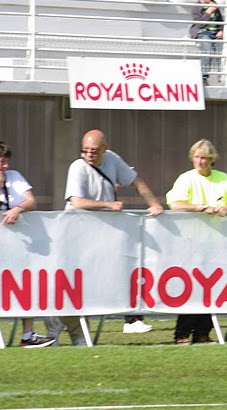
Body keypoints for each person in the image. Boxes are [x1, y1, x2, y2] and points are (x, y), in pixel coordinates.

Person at [45, 129, 164, 344]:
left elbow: (136, 181)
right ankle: (54, 334)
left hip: (102, 236)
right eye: (85, 150)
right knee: (68, 286)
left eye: (94, 151)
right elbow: (77, 202)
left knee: (98, 283)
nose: (89, 154)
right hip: (76, 236)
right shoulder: (77, 167)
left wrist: (153, 203)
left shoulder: (112, 159)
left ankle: (98, 329)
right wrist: (109, 204)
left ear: (104, 149)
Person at [0, 138, 56, 348]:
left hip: (17, 244)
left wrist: (18, 209)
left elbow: (31, 200)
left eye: (7, 161)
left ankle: (28, 334)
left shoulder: (15, 177)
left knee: (24, 284)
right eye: (1, 162)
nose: (5, 166)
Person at [166, 138, 227, 344]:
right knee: (190, 289)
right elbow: (175, 204)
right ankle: (182, 334)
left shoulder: (223, 178)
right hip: (191, 242)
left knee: (211, 289)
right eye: (198, 157)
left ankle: (203, 333)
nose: (201, 162)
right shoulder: (186, 179)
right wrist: (200, 207)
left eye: (205, 158)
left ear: (212, 160)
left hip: (217, 243)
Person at [189, 0, 224, 85]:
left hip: (215, 33)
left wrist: (221, 30)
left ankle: (222, 76)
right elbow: (200, 24)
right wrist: (208, 12)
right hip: (203, 32)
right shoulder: (196, 7)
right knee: (207, 49)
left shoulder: (214, 5)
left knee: (221, 51)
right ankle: (204, 77)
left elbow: (220, 20)